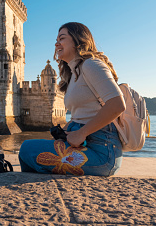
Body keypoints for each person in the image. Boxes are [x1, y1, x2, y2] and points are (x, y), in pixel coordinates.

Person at [18, 22, 126, 176]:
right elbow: (83, 114)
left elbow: (117, 104)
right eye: (56, 39)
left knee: (28, 150)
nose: (56, 43)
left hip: (103, 154)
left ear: (77, 40)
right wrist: (68, 130)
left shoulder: (92, 64)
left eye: (61, 38)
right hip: (83, 146)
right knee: (30, 149)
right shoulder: (74, 74)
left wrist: (81, 133)